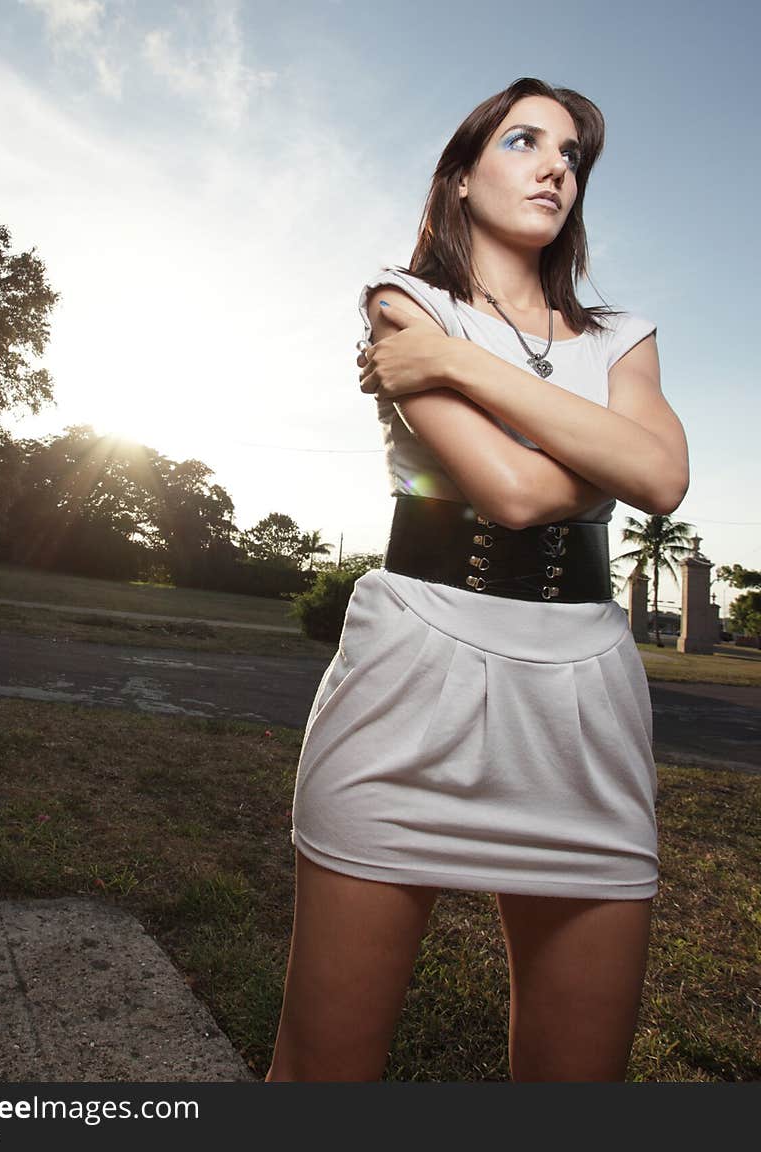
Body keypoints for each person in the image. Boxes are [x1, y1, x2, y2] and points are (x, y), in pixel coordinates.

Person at [265, 77, 689, 1083]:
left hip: (583, 697)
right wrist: (605, 451)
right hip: (414, 672)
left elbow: (662, 478)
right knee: (322, 1078)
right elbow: (505, 490)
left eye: (572, 155)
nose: (555, 165)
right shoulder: (405, 302)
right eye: (523, 141)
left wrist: (461, 371)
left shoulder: (622, 337)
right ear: (458, 180)